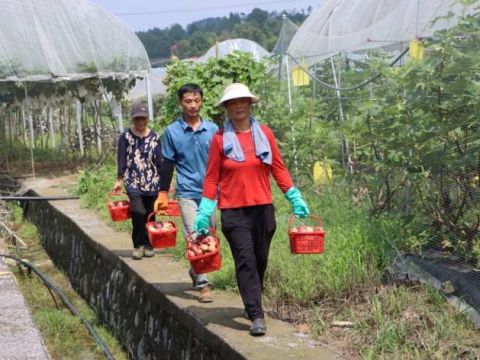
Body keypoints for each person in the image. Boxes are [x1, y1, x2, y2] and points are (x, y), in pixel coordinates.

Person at [194, 83, 310, 336]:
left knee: (260, 260)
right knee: (245, 260)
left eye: (243, 101)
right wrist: (205, 208)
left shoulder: (265, 134)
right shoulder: (219, 140)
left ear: (250, 104)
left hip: (263, 210)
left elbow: (278, 167)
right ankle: (256, 314)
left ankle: (251, 301)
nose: (239, 106)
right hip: (234, 212)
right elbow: (212, 177)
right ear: (226, 107)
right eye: (233, 102)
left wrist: (293, 195)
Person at [155, 83, 219, 303]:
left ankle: (196, 271)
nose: (193, 105)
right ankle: (204, 284)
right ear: (180, 103)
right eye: (188, 101)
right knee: (196, 235)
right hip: (186, 192)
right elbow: (168, 163)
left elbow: (222, 162)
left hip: (211, 193)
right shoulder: (172, 132)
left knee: (210, 233)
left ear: (202, 101)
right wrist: (163, 193)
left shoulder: (212, 130)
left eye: (197, 100)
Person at [113, 102, 162, 260]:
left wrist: (166, 183)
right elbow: (122, 157)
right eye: (137, 119)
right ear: (133, 120)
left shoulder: (154, 136)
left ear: (147, 119)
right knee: (137, 211)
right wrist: (119, 178)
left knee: (150, 214)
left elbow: (159, 160)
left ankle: (148, 244)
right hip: (133, 180)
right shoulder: (126, 136)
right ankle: (138, 245)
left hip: (152, 181)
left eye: (143, 119)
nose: (140, 122)